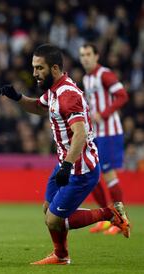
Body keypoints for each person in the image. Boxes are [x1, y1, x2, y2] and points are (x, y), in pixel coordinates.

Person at [0, 44, 130, 265]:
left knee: (54, 220)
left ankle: (109, 214)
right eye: (34, 67)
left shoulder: (68, 95)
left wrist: (67, 166)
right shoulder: (54, 90)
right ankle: (61, 255)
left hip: (80, 169)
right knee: (48, 210)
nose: (34, 73)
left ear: (55, 68)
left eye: (39, 68)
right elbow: (40, 108)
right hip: (65, 162)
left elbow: (80, 133)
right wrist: (17, 97)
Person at [79, 43, 129, 235]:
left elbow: (122, 96)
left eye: (88, 54)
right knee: (91, 175)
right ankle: (108, 217)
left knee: (108, 175)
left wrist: (104, 113)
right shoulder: (87, 78)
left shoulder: (104, 74)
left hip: (110, 132)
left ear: (96, 56)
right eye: (82, 55)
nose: (85, 58)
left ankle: (122, 220)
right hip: (96, 134)